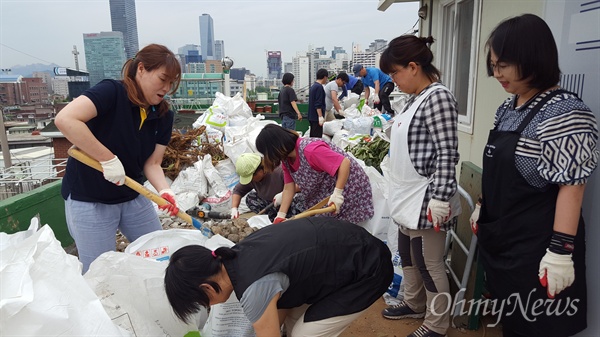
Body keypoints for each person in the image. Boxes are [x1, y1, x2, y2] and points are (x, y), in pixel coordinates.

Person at [469, 14, 598, 337]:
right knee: (513, 324)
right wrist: (483, 205)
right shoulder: (508, 108)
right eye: (493, 65)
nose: (496, 74)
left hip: (537, 250)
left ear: (533, 58)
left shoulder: (565, 111)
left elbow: (573, 185)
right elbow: (497, 168)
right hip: (504, 243)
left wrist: (560, 252)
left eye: (504, 65)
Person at [55, 44, 182, 273]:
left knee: (160, 255)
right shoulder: (112, 93)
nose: (167, 88)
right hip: (90, 198)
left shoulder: (163, 114)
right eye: (163, 79)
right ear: (141, 69)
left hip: (132, 195)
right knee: (98, 271)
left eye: (171, 83)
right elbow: (66, 119)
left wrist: (165, 191)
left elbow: (152, 163)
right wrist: (108, 159)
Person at [164, 217, 393, 337]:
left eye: (203, 303)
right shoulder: (238, 255)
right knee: (292, 326)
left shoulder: (252, 288)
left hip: (369, 269)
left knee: (305, 335)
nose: (208, 306)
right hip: (353, 248)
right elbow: (277, 308)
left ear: (206, 287)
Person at [378, 35, 461, 337]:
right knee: (409, 254)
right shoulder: (415, 98)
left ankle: (437, 323)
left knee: (430, 264)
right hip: (406, 194)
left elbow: (446, 151)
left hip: (427, 198)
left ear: (413, 67)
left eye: (395, 73)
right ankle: (413, 304)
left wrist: (440, 198)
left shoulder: (438, 97)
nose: (393, 80)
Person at [255, 124, 374, 224]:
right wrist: (281, 214)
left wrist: (337, 194)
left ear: (274, 148)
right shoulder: (287, 159)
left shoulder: (310, 150)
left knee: (332, 226)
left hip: (348, 186)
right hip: (325, 190)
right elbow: (288, 187)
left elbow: (344, 163)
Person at [231, 153, 305, 221]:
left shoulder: (278, 171)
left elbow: (302, 185)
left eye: (252, 177)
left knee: (299, 199)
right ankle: (272, 219)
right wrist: (234, 208)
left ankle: (290, 218)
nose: (251, 180)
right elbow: (238, 190)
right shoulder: (252, 180)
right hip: (272, 204)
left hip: (289, 202)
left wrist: (283, 194)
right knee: (251, 198)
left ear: (261, 169)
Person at [307, 68, 328, 137]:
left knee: (312, 137)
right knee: (317, 138)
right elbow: (318, 104)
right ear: (324, 77)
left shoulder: (313, 87)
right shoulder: (319, 87)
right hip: (316, 117)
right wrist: (320, 117)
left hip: (311, 116)